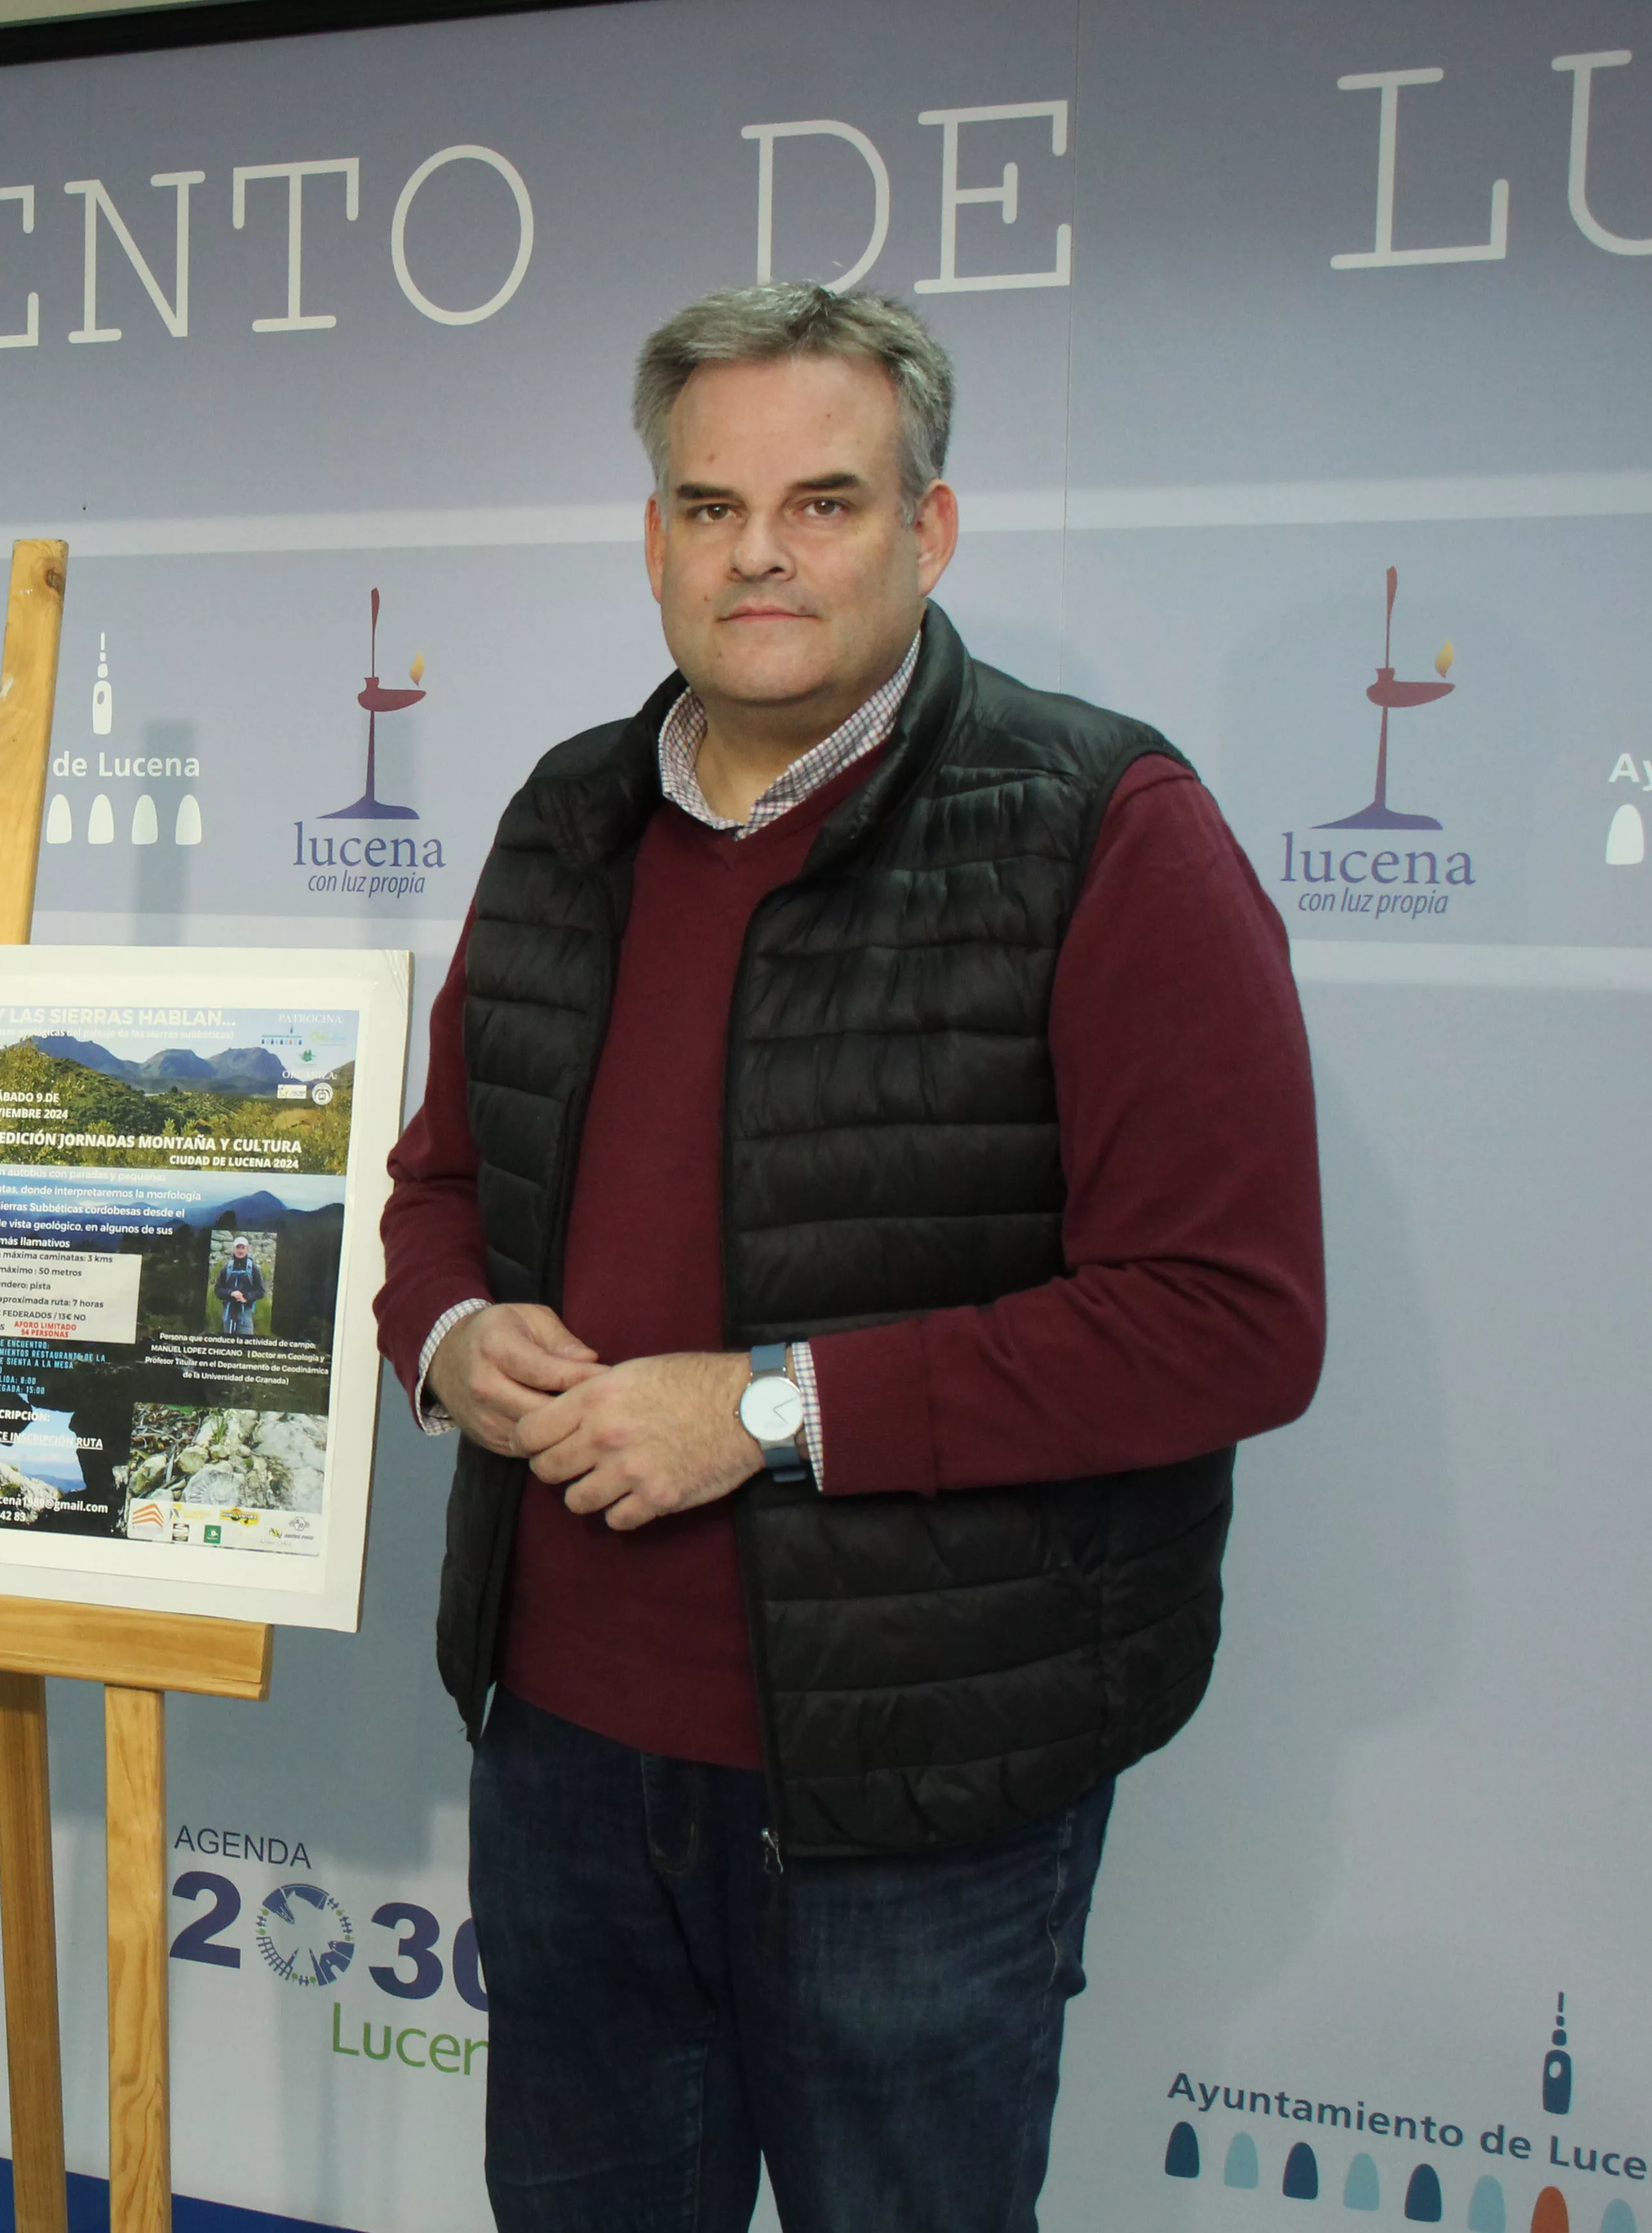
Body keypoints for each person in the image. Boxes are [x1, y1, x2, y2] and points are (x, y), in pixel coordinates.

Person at [379, 284, 1325, 2232]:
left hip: (920, 1792)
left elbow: (1228, 1323)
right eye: (711, 508)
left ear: (928, 531)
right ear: (653, 542)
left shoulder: (1101, 828)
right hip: (561, 1758)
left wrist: (770, 1407)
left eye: (823, 504)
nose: (760, 556)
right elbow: (434, 1193)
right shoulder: (566, 817)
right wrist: (453, 1337)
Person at [214, 1239, 266, 1336]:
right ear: (234, 1249)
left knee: (246, 1345)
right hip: (228, 1313)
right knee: (228, 1346)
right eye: (238, 1247)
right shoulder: (227, 1268)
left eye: (243, 1248)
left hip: (245, 1313)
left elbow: (261, 1291)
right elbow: (218, 1290)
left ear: (247, 1249)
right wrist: (231, 1293)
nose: (240, 1251)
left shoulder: (253, 1269)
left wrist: (245, 1297)